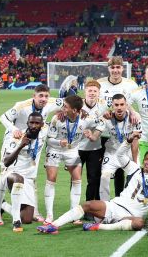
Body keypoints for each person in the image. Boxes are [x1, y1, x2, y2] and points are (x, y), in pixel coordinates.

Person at [37, 134, 148, 234]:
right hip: (115, 206)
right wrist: (128, 141)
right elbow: (119, 155)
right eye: (146, 159)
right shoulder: (135, 168)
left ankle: (99, 226)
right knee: (88, 205)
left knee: (139, 223)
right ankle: (54, 225)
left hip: (133, 216)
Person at [0, 84, 63, 222]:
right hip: (14, 141)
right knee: (4, 172)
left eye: (46, 96)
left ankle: (35, 211)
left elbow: (68, 103)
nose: (43, 99)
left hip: (35, 142)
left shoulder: (51, 103)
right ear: (34, 96)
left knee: (32, 175)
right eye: (40, 96)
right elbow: (3, 117)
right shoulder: (22, 106)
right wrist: (14, 128)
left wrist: (68, 111)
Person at [43, 95, 103, 223]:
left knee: (77, 179)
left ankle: (73, 214)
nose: (62, 109)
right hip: (55, 150)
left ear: (75, 110)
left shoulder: (86, 118)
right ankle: (49, 215)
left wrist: (93, 135)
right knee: (52, 179)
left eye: (65, 107)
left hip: (72, 151)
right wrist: (59, 142)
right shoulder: (57, 118)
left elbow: (101, 123)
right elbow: (49, 139)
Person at [0, 112, 47, 231]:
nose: (33, 125)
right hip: (11, 173)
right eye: (31, 122)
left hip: (28, 178)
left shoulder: (44, 132)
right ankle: (16, 221)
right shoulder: (17, 136)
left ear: (42, 125)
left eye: (37, 123)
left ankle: (3, 204)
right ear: (27, 123)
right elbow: (6, 162)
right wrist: (20, 146)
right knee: (19, 179)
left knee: (27, 218)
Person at [98, 56, 140, 198]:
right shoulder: (100, 84)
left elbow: (132, 104)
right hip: (104, 133)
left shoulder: (131, 85)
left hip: (124, 132)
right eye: (112, 67)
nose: (115, 70)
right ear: (108, 68)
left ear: (123, 68)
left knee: (123, 171)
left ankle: (121, 199)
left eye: (118, 67)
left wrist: (133, 112)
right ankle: (101, 204)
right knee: (102, 171)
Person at [99, 94, 141, 201]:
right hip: (112, 153)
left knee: (137, 178)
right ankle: (105, 207)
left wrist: (135, 162)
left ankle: (129, 204)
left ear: (126, 105)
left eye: (122, 104)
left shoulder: (134, 118)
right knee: (104, 177)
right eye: (116, 105)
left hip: (129, 153)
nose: (119, 107)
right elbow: (97, 131)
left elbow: (135, 141)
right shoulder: (106, 118)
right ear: (112, 106)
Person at [78, 80, 109, 202]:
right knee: (76, 179)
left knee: (93, 179)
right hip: (77, 148)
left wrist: (94, 135)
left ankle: (90, 207)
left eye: (95, 91)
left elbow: (105, 120)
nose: (92, 93)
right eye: (89, 90)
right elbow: (62, 110)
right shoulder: (78, 104)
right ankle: (74, 208)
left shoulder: (104, 105)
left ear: (99, 93)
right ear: (85, 91)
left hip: (95, 148)